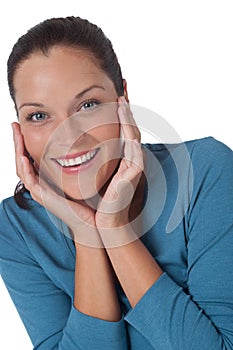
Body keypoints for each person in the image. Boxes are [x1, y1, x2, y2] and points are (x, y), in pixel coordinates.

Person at [0, 16, 233, 350]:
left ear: (122, 98)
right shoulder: (17, 226)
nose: (69, 137)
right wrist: (87, 236)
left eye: (88, 105)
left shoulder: (204, 172)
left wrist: (114, 229)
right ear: (19, 129)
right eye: (39, 116)